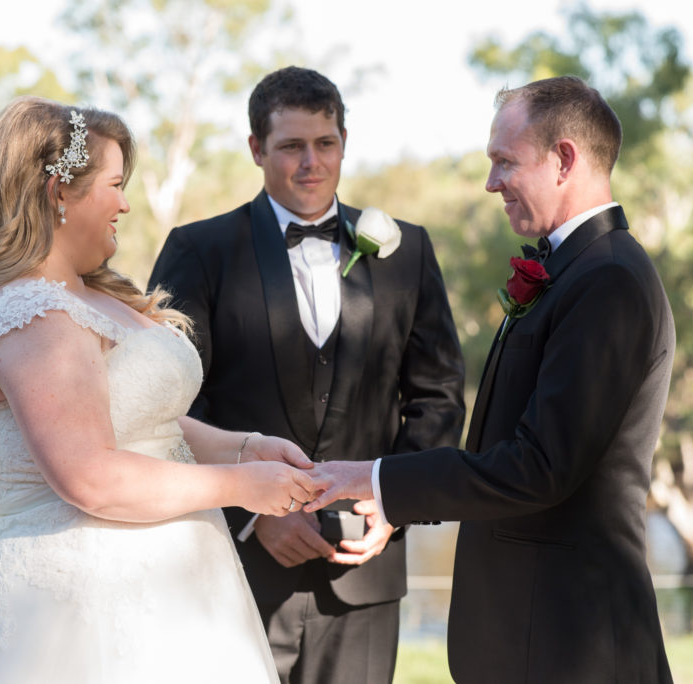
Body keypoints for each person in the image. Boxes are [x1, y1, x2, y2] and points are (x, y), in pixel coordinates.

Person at [0, 96, 323, 684]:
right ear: (60, 191)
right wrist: (242, 486)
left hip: (182, 593)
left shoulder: (90, 297)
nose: (125, 203)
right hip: (80, 608)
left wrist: (244, 447)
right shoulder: (31, 314)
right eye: (114, 184)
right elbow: (90, 475)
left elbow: (138, 420)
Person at [306, 75, 676, 683]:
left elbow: (539, 467)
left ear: (564, 159)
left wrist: (376, 478)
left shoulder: (609, 279)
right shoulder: (572, 271)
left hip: (571, 645)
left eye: (506, 161)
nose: (491, 182)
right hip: (530, 640)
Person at [147, 66, 465, 684]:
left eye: (326, 144)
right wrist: (251, 510)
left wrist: (394, 502)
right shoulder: (200, 250)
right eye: (291, 146)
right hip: (235, 565)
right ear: (256, 149)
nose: (310, 163)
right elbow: (166, 404)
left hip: (365, 573)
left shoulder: (409, 252)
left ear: (344, 142)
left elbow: (438, 395)